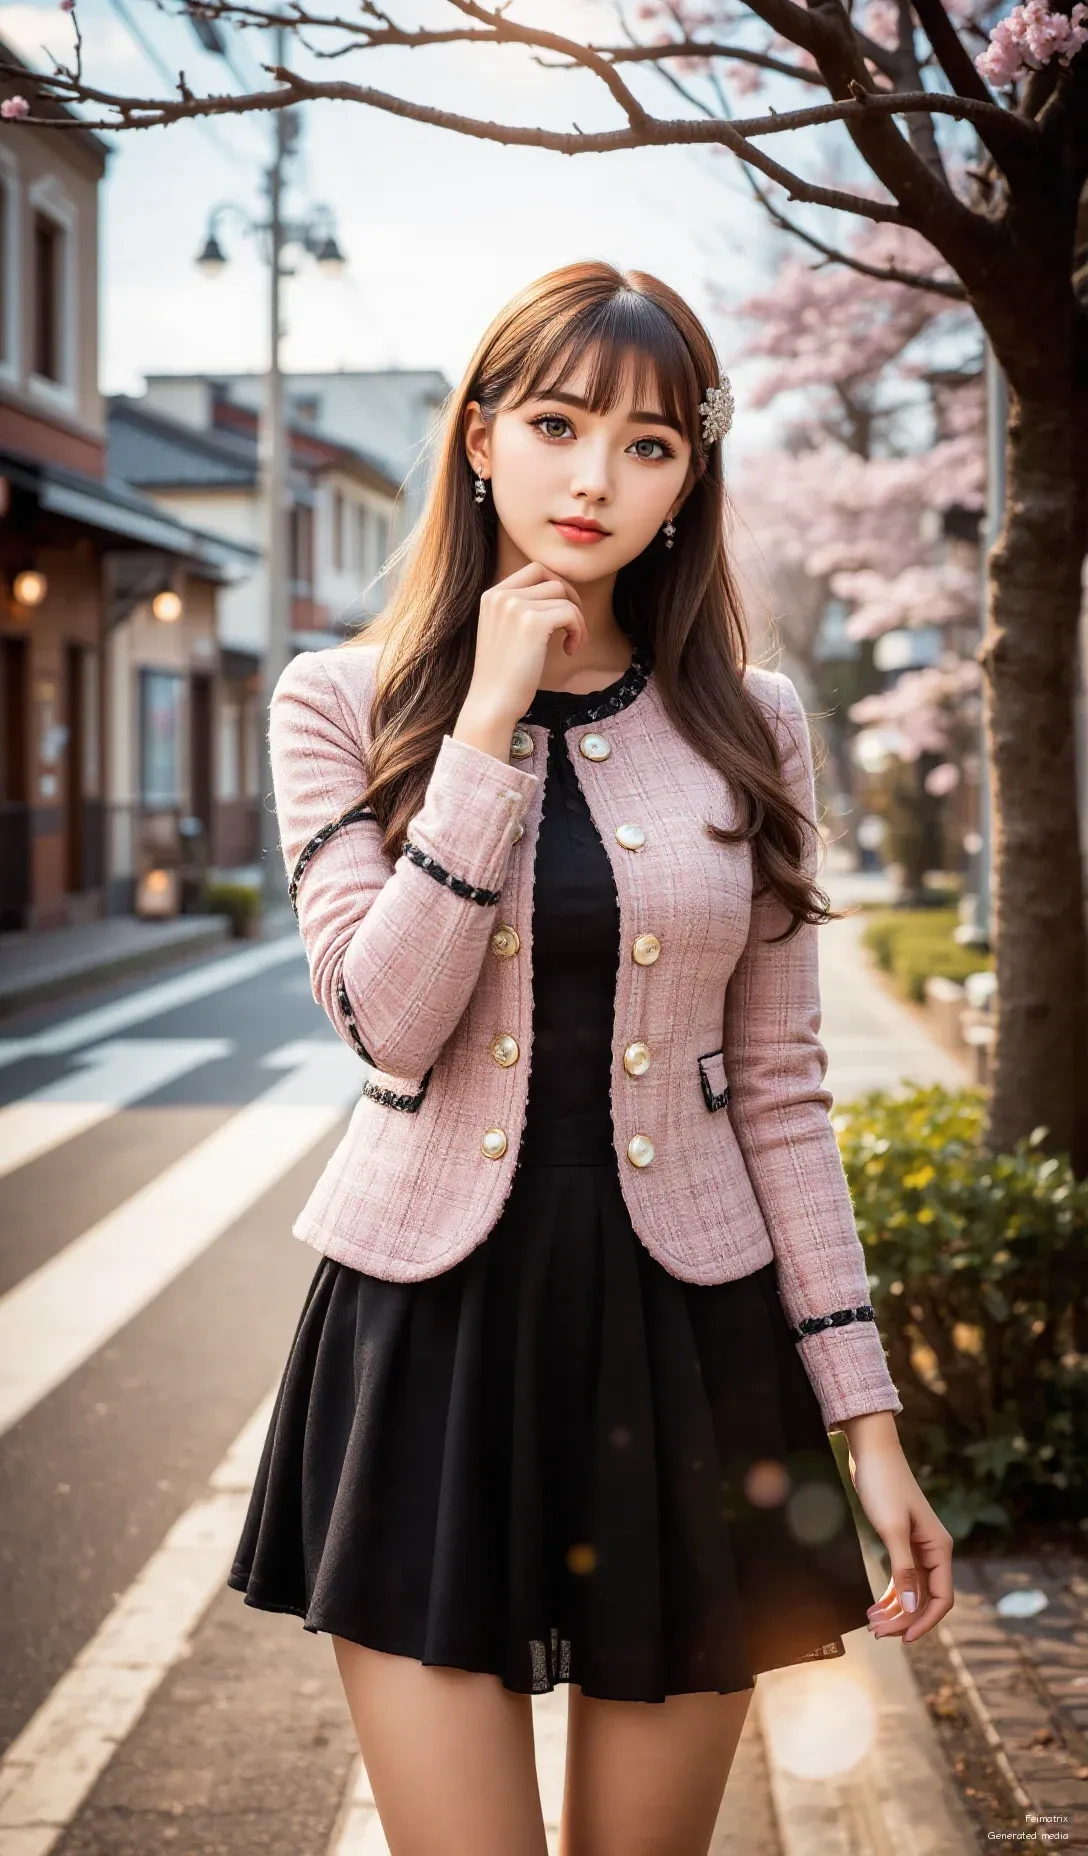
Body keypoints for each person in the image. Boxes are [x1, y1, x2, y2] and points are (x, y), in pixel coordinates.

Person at [228, 260, 954, 1856]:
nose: (594, 479)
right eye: (557, 425)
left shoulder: (755, 723)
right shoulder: (339, 703)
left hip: (692, 1342)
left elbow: (781, 1090)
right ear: (479, 437)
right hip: (432, 1338)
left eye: (649, 445)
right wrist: (484, 721)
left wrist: (870, 1425)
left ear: (693, 475)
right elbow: (385, 1019)